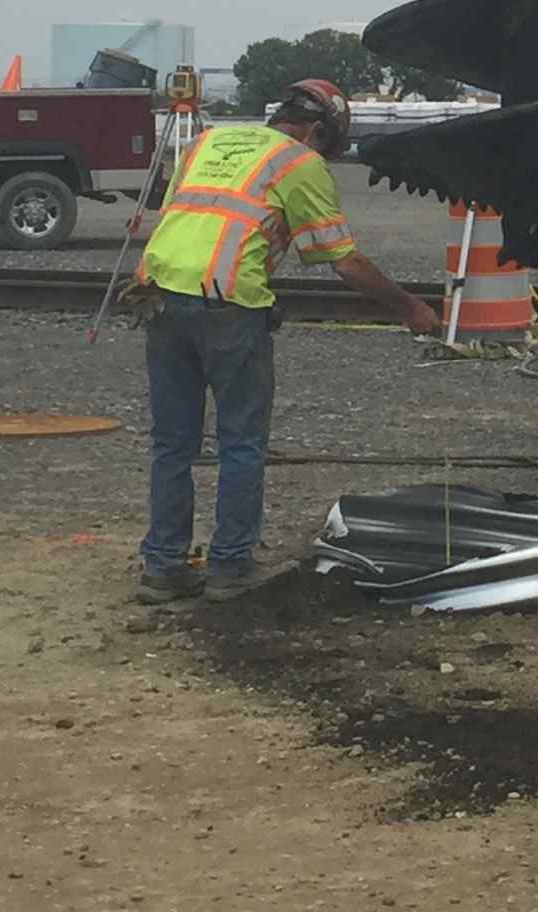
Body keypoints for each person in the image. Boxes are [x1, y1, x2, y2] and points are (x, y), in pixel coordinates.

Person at [131, 78, 440, 604]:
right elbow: (345, 261)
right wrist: (410, 308)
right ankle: (230, 567)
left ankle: (163, 568)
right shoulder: (299, 162)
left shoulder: (207, 142)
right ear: (318, 131)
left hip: (157, 293)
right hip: (229, 304)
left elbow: (192, 218)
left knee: (172, 442)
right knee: (241, 441)